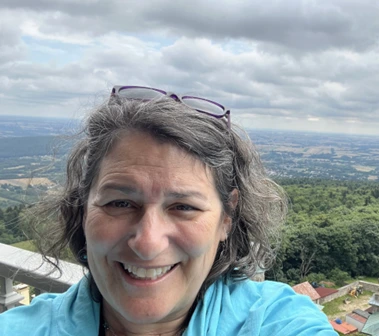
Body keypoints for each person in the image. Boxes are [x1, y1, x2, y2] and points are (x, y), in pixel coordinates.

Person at [0, 86, 337, 335]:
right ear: (82, 208)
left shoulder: (279, 322)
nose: (147, 242)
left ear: (226, 219)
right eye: (120, 203)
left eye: (183, 207)